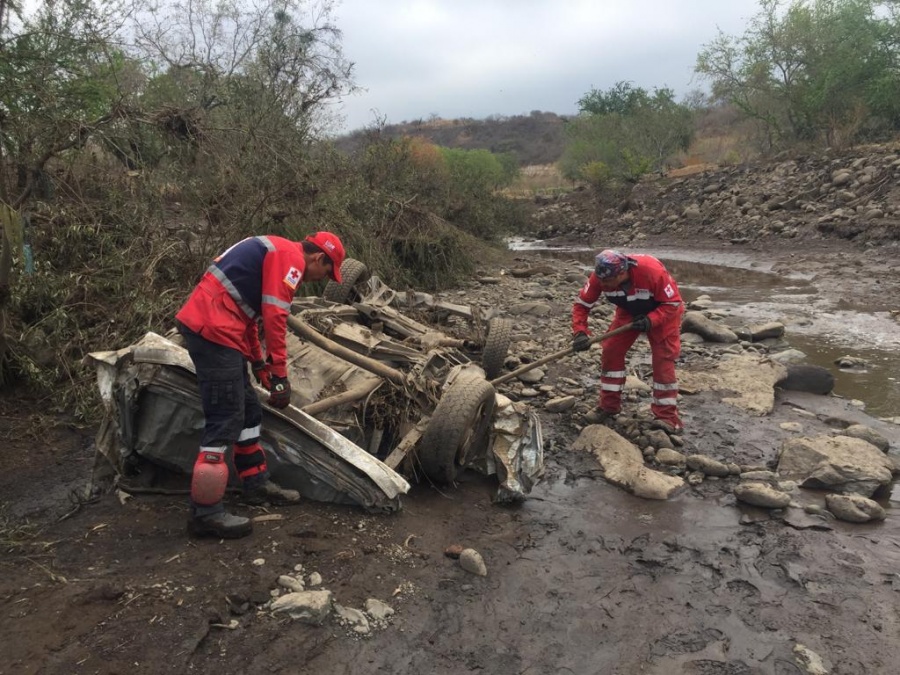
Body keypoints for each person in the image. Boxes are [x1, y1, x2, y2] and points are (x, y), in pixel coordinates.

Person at [175, 231, 346, 538]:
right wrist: (280, 374)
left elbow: (250, 318)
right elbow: (275, 317)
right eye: (325, 272)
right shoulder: (290, 260)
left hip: (220, 327)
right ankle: (205, 514)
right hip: (214, 330)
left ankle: (255, 484)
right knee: (225, 417)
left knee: (250, 411)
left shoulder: (277, 250)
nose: (321, 279)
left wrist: (259, 365)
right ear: (318, 258)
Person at [571, 249, 684, 433]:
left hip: (662, 312)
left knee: (663, 360)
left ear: (622, 273)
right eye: (601, 280)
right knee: (611, 350)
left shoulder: (651, 271)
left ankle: (667, 418)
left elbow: (672, 303)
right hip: (629, 310)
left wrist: (651, 320)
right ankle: (609, 406)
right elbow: (582, 305)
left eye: (608, 282)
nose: (603, 285)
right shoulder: (600, 277)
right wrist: (580, 333)